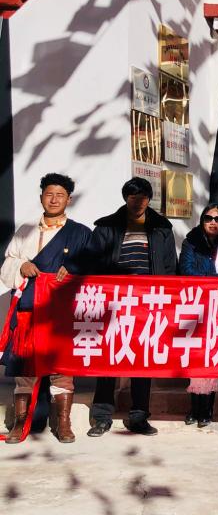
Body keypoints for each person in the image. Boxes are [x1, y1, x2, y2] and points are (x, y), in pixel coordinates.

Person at [1, 173, 91, 444]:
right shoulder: (26, 230)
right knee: (25, 368)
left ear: (69, 200)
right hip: (29, 309)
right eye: (49, 194)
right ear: (41, 197)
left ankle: (62, 423)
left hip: (61, 312)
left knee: (61, 368)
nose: (54, 199)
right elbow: (8, 262)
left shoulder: (80, 233)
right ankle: (20, 423)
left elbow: (92, 267)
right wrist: (22, 266)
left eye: (60, 195)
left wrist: (72, 269)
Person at [86, 177, 177, 437]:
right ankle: (102, 416)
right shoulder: (106, 227)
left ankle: (138, 416)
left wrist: (166, 298)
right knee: (108, 358)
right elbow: (92, 262)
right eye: (133, 198)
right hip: (114, 302)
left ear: (149, 199)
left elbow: (170, 266)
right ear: (126, 198)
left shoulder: (162, 228)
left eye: (143, 198)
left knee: (142, 358)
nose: (138, 203)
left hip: (148, 302)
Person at [178, 203, 218, 428]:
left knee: (213, 356)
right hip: (197, 304)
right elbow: (186, 269)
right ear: (202, 220)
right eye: (208, 218)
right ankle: (194, 407)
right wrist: (214, 280)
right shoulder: (191, 241)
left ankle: (207, 409)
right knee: (196, 357)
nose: (213, 223)